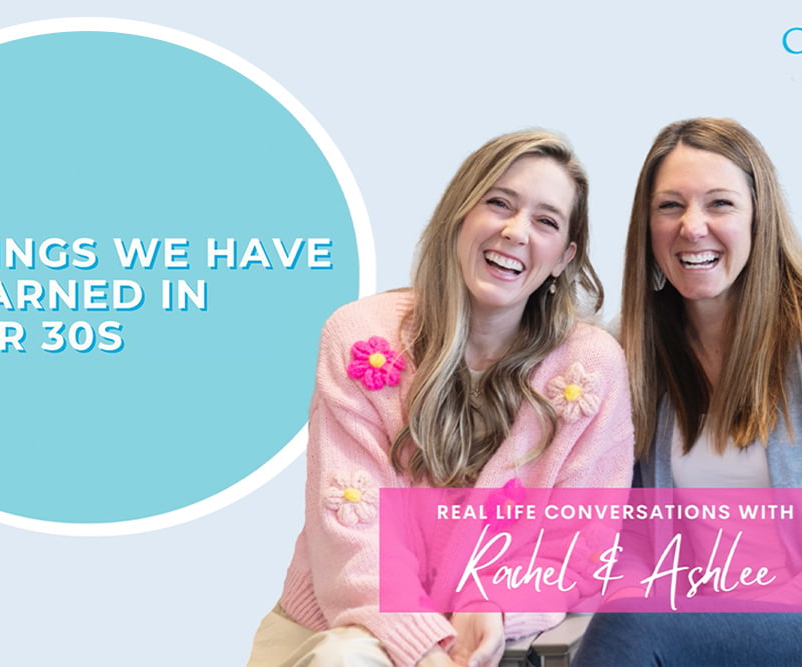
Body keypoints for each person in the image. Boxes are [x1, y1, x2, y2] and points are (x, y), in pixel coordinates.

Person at [246, 130, 635, 667]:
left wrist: (492, 604)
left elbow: (577, 545)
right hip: (341, 627)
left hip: (494, 642)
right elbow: (352, 533)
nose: (516, 231)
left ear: (565, 257)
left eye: (545, 221)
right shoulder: (362, 337)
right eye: (498, 202)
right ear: (459, 214)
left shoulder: (588, 368)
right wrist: (424, 650)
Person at [571, 117, 802, 666]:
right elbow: (628, 537)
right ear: (647, 226)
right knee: (623, 621)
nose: (692, 226)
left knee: (633, 631)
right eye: (670, 206)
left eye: (720, 204)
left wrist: (744, 622)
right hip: (697, 630)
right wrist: (644, 599)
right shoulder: (631, 356)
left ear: (758, 218)